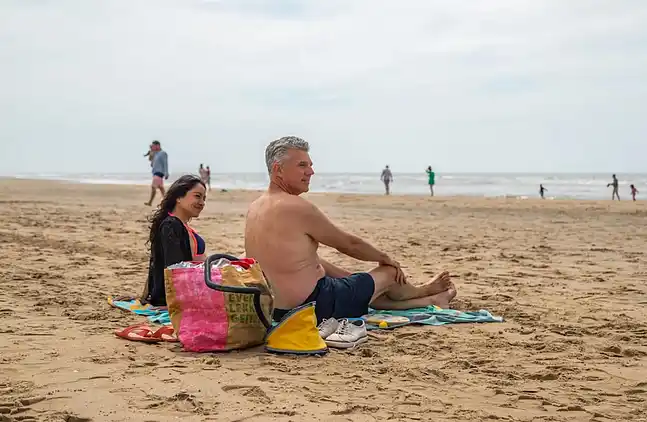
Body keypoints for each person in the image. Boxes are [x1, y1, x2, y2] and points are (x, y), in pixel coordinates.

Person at [245, 136, 456, 323]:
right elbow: (348, 244)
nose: (311, 171)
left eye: (310, 165)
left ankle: (430, 299)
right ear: (278, 169)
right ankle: (420, 291)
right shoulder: (296, 207)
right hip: (313, 307)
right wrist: (386, 259)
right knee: (389, 273)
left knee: (321, 264)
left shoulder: (256, 207)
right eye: (302, 165)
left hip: (276, 309)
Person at [143, 175, 208, 306]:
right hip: (181, 296)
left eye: (204, 198)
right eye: (197, 196)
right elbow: (173, 268)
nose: (202, 202)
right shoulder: (171, 225)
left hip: (192, 287)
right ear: (178, 197)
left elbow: (156, 261)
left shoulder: (178, 225)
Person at [145, 141, 169, 206]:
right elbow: (151, 162)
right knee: (161, 188)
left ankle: (150, 202)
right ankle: (166, 201)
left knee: (153, 187)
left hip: (159, 172)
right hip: (155, 172)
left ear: (158, 145)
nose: (152, 147)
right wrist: (151, 152)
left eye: (153, 146)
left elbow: (165, 163)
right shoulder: (155, 154)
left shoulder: (163, 153)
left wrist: (166, 173)